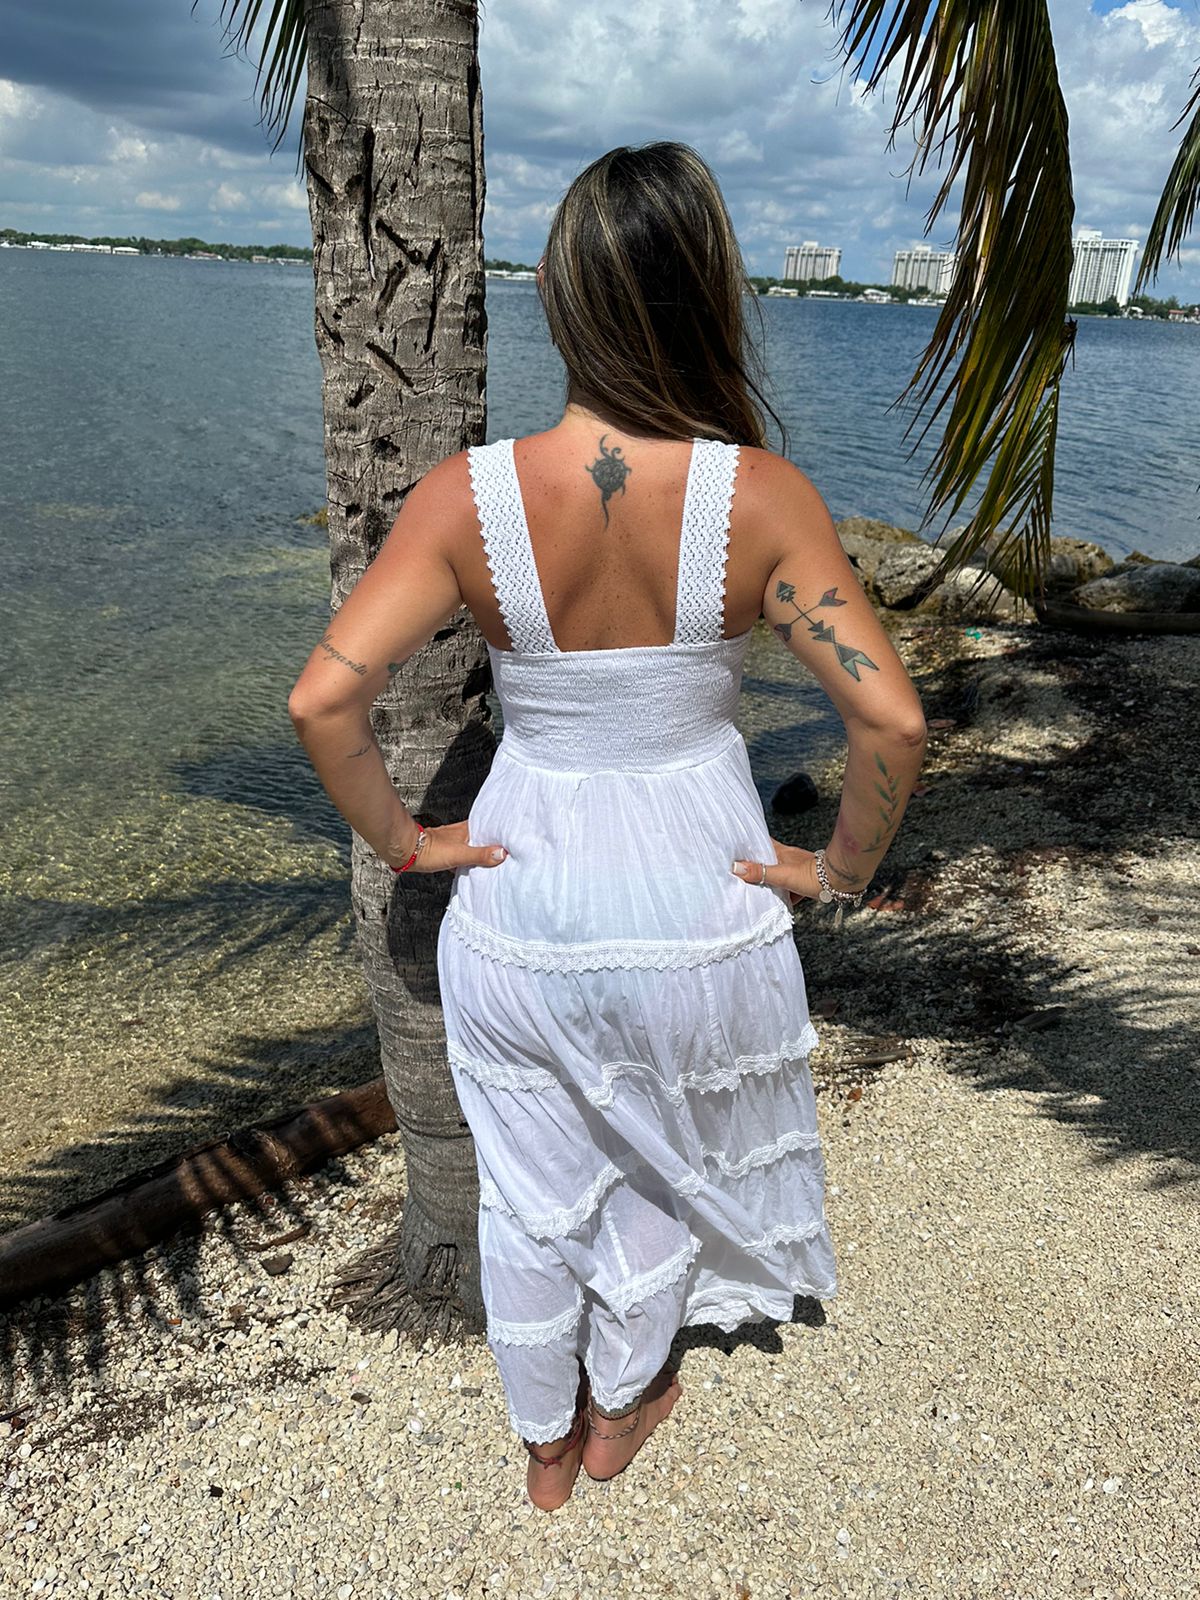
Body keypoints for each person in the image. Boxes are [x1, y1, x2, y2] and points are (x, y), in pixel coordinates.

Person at [287, 141, 928, 1513]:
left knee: (531, 1185)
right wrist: (837, 872)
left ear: (558, 296)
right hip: (701, 904)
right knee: (655, 1163)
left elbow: (323, 702)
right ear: (710, 294)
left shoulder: (472, 498)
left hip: (525, 893)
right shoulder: (762, 499)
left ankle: (542, 1447)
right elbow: (894, 727)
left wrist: (410, 846)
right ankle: (626, 1407)